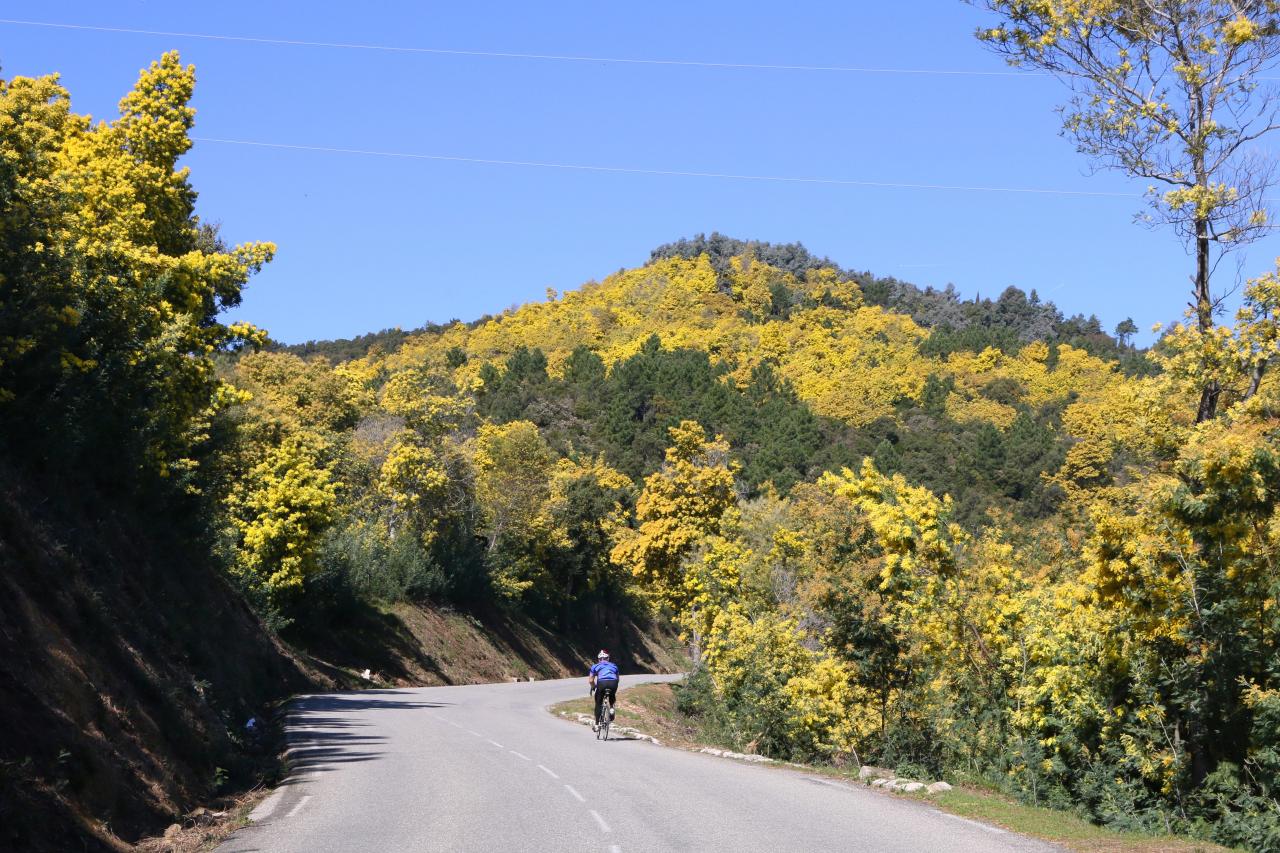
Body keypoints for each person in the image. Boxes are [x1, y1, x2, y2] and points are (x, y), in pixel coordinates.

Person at [588, 650, 619, 731]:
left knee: (598, 703)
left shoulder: (595, 666)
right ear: (608, 658)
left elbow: (591, 680)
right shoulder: (614, 666)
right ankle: (612, 708)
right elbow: (617, 678)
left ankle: (597, 725)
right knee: (612, 694)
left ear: (599, 659)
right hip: (613, 682)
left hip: (602, 683)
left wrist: (594, 687)